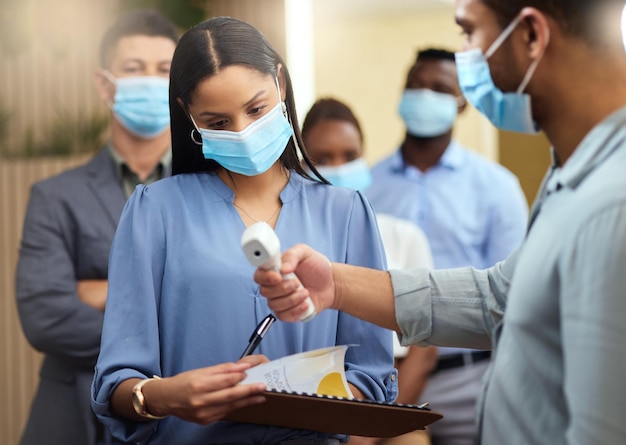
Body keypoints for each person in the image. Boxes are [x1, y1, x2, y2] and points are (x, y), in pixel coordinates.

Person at [254, 0, 626, 444]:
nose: (466, 55)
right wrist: (335, 284)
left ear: (531, 35)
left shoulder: (611, 207)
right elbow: (497, 297)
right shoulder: (571, 176)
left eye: (469, 33)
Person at [90, 16, 397, 445]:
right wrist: (166, 396)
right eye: (217, 122)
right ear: (188, 115)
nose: (243, 132)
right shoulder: (153, 211)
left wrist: (315, 403)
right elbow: (117, 385)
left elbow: (374, 375)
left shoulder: (346, 212)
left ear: (281, 84)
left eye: (256, 109)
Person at [14, 9, 178, 445]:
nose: (150, 80)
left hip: (185, 425)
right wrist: (174, 317)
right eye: (133, 69)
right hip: (73, 418)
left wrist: (108, 292)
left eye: (164, 70)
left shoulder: (210, 190)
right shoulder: (54, 196)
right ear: (105, 83)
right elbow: (45, 318)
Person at [364, 47, 529, 445]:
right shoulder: (366, 187)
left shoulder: (497, 187)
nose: (424, 95)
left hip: (470, 377)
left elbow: (515, 298)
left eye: (439, 88)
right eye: (415, 86)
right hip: (387, 378)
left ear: (462, 104)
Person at [302, 97, 437, 445]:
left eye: (349, 156)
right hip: (308, 407)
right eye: (322, 159)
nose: (338, 167)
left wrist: (377, 426)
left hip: (390, 409)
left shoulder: (403, 235)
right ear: (301, 164)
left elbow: (424, 348)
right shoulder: (291, 244)